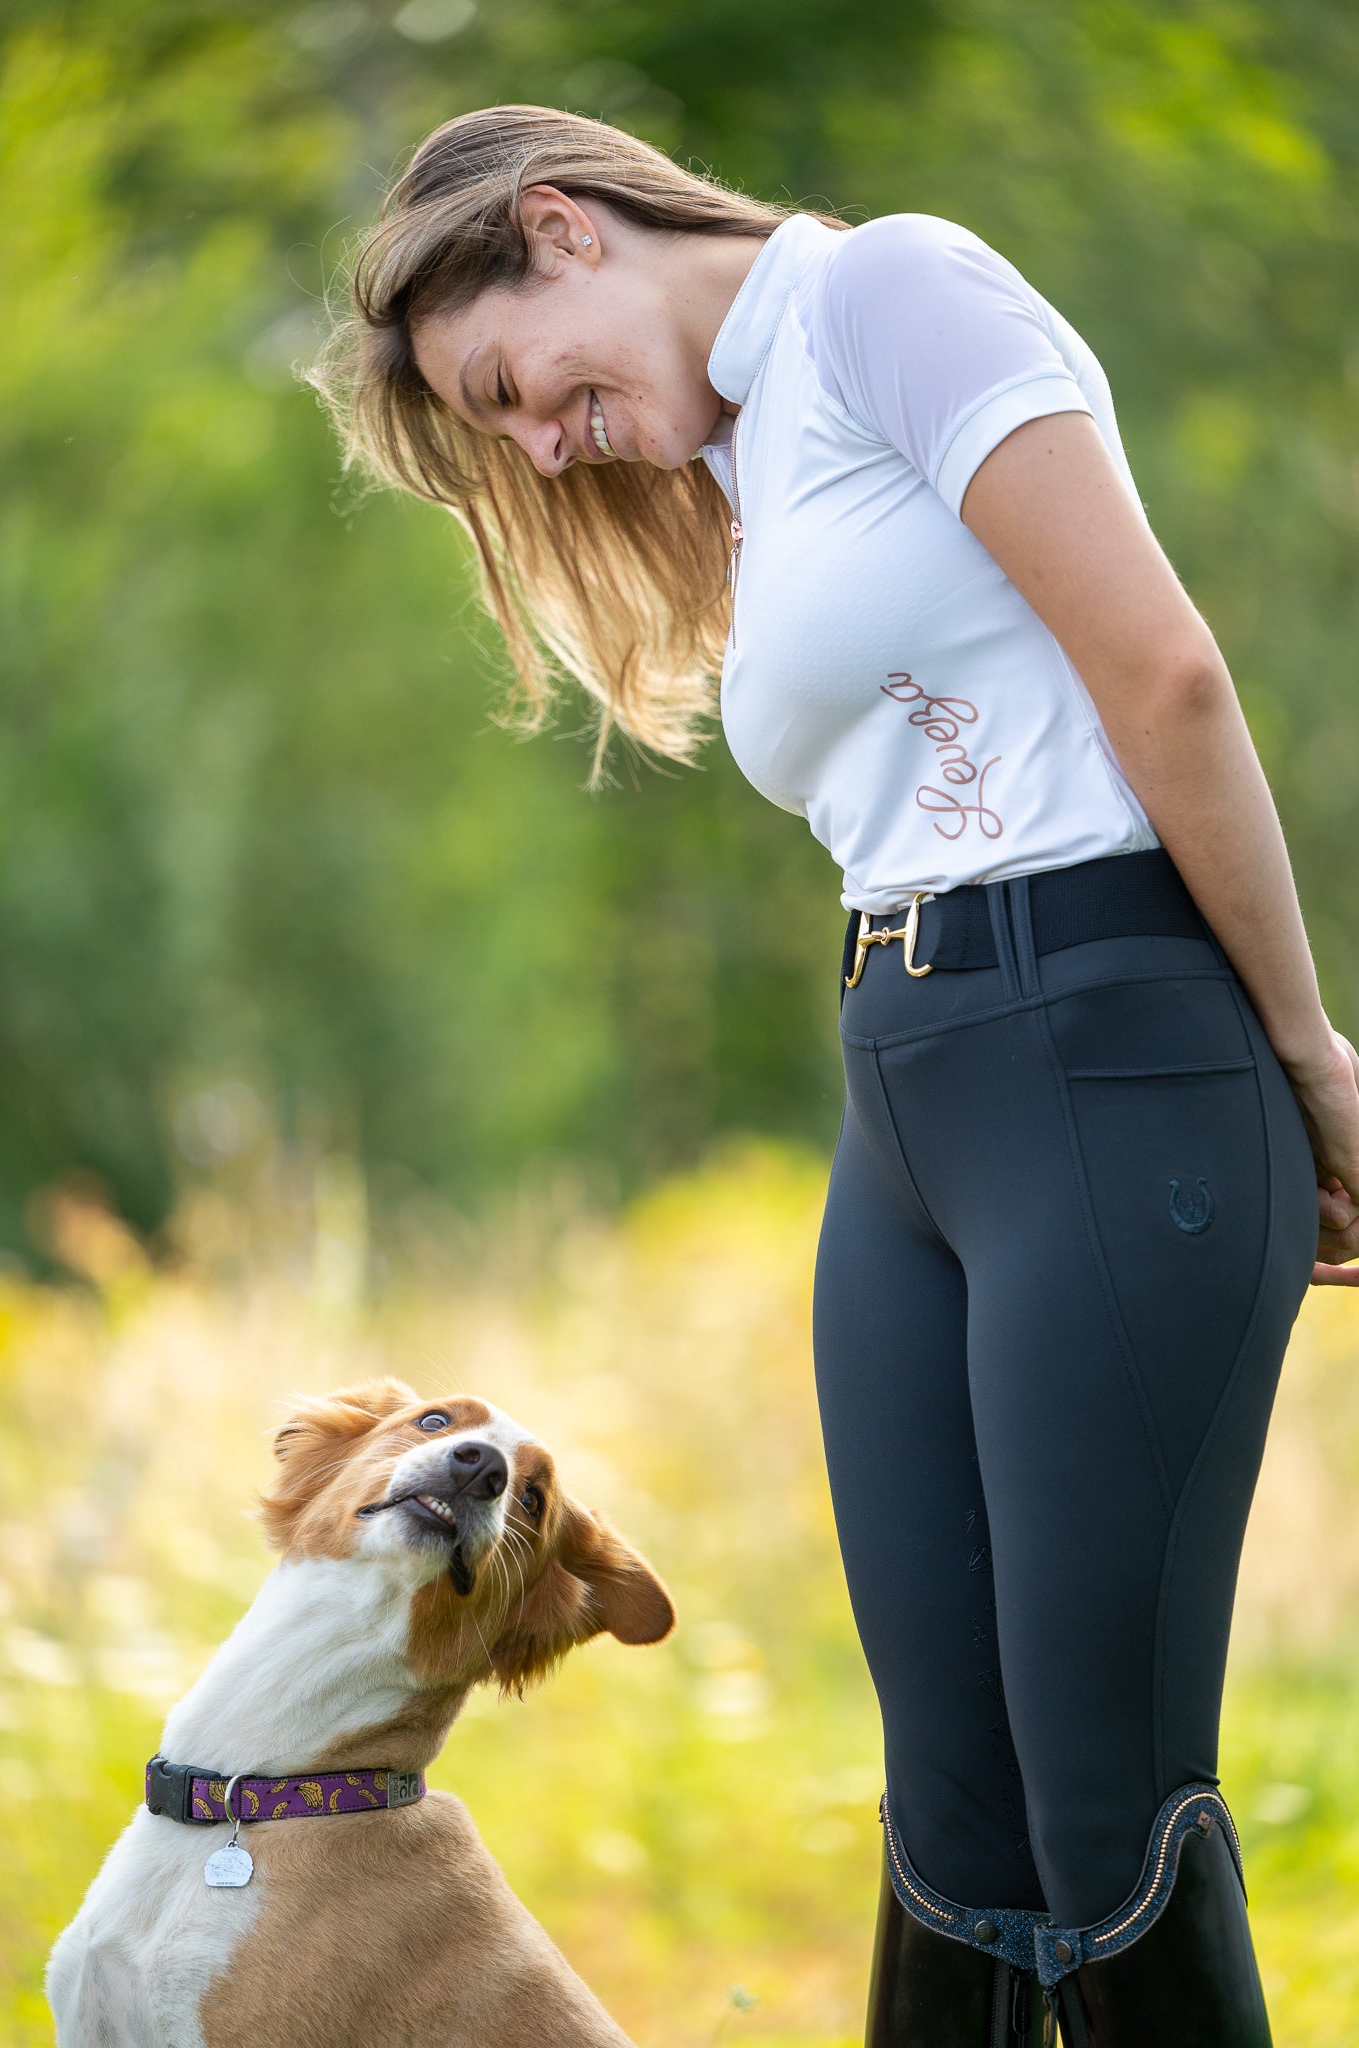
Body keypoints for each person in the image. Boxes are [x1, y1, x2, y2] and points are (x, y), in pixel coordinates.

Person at [311, 105, 1359, 2046]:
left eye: (513, 390)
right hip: (909, 1095)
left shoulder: (889, 292)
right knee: (951, 1797)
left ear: (561, 228)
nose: (540, 444)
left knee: (1098, 1791)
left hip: (1105, 1055)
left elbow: (1168, 678)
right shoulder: (756, 444)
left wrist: (1306, 1054)